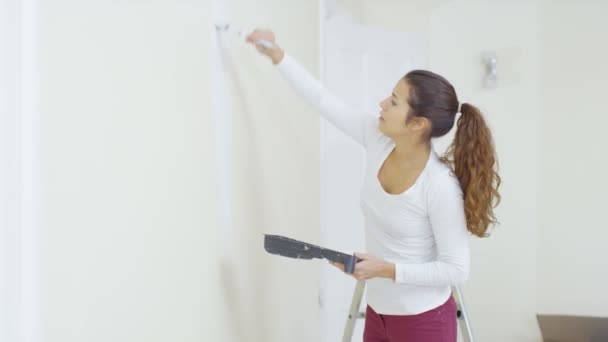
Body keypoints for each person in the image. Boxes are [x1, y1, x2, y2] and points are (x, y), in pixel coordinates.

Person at [246, 29, 501, 342]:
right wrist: (278, 56)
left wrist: (386, 269)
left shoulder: (439, 186)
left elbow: (456, 270)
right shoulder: (378, 139)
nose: (382, 104)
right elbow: (325, 101)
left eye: (393, 101)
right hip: (378, 312)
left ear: (418, 124)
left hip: (423, 321)